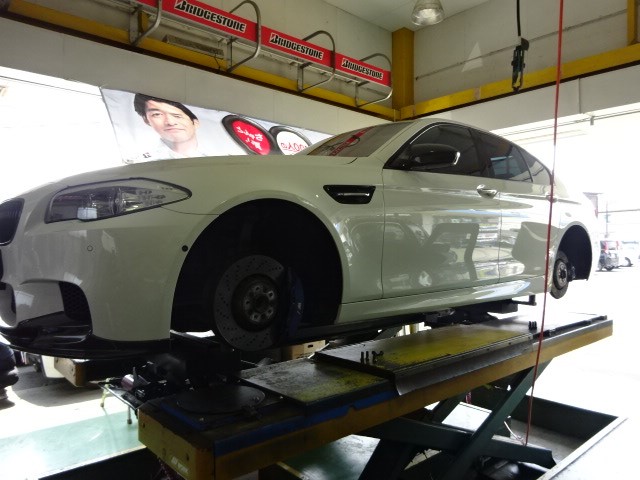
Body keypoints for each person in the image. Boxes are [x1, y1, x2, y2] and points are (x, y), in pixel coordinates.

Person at [133, 93, 207, 161]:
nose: (170, 122)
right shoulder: (140, 161)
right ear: (146, 120)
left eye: (177, 116)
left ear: (195, 122)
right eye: (157, 114)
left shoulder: (210, 154)